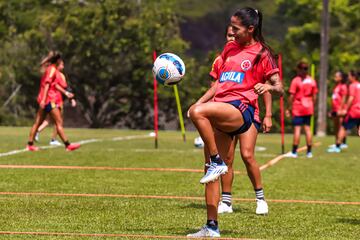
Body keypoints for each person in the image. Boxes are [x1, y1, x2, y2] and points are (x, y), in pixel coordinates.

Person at [187, 7, 283, 238]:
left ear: (251, 29)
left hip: (241, 109)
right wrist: (200, 102)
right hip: (221, 106)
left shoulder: (262, 54)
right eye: (230, 26)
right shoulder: (229, 48)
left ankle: (221, 164)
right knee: (210, 171)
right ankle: (211, 226)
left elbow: (279, 87)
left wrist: (268, 87)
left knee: (199, 116)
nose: (231, 31)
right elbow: (220, 84)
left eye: (236, 28)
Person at [194, 25, 273, 216]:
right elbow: (217, 86)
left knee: (247, 155)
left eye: (234, 33)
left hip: (247, 111)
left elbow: (266, 86)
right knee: (226, 159)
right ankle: (226, 202)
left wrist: (268, 114)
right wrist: (203, 106)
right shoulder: (223, 58)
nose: (232, 37)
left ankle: (260, 198)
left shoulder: (256, 54)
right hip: (224, 111)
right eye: (229, 34)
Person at [26, 51, 80, 152]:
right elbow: (47, 84)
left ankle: (30, 145)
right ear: (58, 61)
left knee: (37, 123)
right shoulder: (52, 70)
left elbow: (54, 85)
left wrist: (66, 93)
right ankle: (68, 145)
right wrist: (44, 99)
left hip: (45, 99)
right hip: (49, 100)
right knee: (58, 122)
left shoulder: (52, 69)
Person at [35, 59, 77, 146]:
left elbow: (64, 88)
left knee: (49, 120)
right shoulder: (58, 75)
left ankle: (37, 132)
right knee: (58, 121)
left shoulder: (50, 73)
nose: (63, 67)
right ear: (57, 65)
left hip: (51, 99)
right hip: (55, 100)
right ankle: (54, 140)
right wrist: (71, 99)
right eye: (62, 65)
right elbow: (65, 88)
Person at [285, 61, 318, 158]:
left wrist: (288, 108)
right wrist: (312, 106)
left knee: (297, 129)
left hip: (298, 107)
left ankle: (294, 152)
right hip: (309, 106)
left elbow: (291, 96)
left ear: (298, 69)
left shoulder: (296, 80)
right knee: (307, 129)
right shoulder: (312, 80)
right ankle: (309, 152)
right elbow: (314, 96)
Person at [335, 70, 360, 151]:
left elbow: (351, 98)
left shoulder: (352, 85)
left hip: (354, 110)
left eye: (349, 76)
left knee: (343, 127)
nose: (348, 78)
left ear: (353, 77)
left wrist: (346, 109)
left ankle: (337, 147)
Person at [327, 71, 348, 152]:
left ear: (341, 78)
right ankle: (336, 143)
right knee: (336, 126)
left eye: (336, 76)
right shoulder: (336, 86)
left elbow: (344, 98)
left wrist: (341, 108)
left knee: (340, 126)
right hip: (335, 109)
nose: (334, 77)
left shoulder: (343, 86)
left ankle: (341, 144)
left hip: (340, 109)